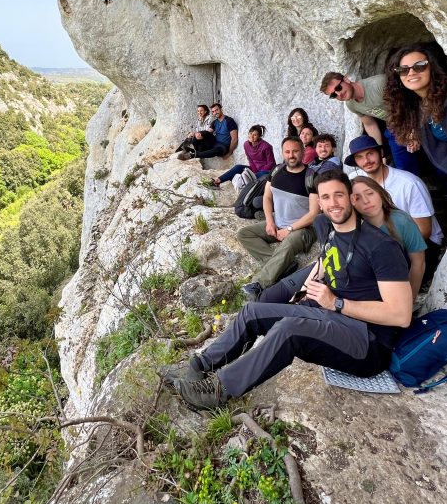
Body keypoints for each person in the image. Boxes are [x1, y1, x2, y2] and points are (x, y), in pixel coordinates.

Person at [160, 170, 412, 409]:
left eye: (339, 195)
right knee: (252, 311)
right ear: (319, 203)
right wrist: (302, 294)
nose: (333, 203)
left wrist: (337, 303)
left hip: (368, 342)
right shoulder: (326, 226)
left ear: (351, 198)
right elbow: (325, 261)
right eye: (326, 197)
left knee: (289, 329)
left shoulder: (381, 247)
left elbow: (401, 316)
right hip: (332, 315)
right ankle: (198, 366)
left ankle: (218, 390)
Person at [384, 45, 447, 212]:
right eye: (403, 70)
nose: (411, 73)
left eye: (419, 66)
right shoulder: (418, 107)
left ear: (432, 67)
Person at [236, 137, 319, 298]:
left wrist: (289, 229)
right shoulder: (276, 171)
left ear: (303, 152)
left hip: (303, 229)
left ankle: (259, 284)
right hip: (278, 222)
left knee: (288, 243)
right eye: (287, 152)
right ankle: (285, 265)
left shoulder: (312, 177)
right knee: (244, 234)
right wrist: (269, 221)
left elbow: (314, 214)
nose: (291, 155)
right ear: (282, 153)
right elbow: (267, 197)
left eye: (295, 151)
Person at [342, 135, 444, 250]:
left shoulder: (409, 183)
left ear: (381, 152)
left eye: (370, 153)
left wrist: (388, 249)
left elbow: (424, 231)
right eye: (359, 157)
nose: (366, 161)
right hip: (383, 237)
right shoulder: (353, 180)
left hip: (420, 241)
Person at [320, 71, 419, 174]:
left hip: (416, 118)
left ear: (346, 80)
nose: (339, 94)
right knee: (404, 169)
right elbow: (370, 125)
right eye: (333, 95)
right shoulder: (351, 105)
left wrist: (412, 131)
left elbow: (408, 104)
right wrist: (379, 153)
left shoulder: (378, 83)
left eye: (338, 88)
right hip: (396, 129)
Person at [350, 176, 426, 300]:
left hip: (398, 285)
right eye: (357, 198)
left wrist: (409, 300)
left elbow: (418, 263)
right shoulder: (352, 226)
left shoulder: (401, 221)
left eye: (370, 193)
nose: (366, 201)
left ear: (380, 192)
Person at [207, 124, 275, 187]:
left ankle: (247, 183)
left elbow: (271, 163)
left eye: (255, 135)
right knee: (238, 167)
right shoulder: (246, 145)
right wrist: (254, 171)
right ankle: (218, 180)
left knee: (258, 175)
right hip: (255, 169)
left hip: (265, 170)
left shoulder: (266, 146)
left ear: (259, 136)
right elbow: (250, 159)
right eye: (250, 133)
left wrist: (257, 173)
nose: (251, 136)